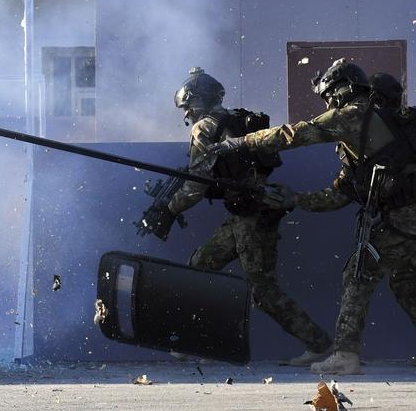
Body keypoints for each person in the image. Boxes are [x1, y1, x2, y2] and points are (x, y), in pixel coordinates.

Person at [208, 60, 416, 374]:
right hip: (405, 220)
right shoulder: (372, 134)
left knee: (359, 272)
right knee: (405, 282)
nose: (328, 104)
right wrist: (295, 199)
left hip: (405, 218)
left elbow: (295, 134)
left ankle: (345, 354)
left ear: (343, 90)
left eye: (330, 96)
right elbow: (339, 195)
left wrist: (239, 143)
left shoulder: (354, 115)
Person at [140, 67, 333, 366]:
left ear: (199, 102)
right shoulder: (236, 120)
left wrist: (169, 208)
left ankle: (318, 344)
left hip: (252, 214)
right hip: (248, 210)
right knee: (201, 265)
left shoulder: (205, 128)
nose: (187, 114)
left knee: (262, 290)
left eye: (188, 107)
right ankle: (195, 341)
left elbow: (196, 185)